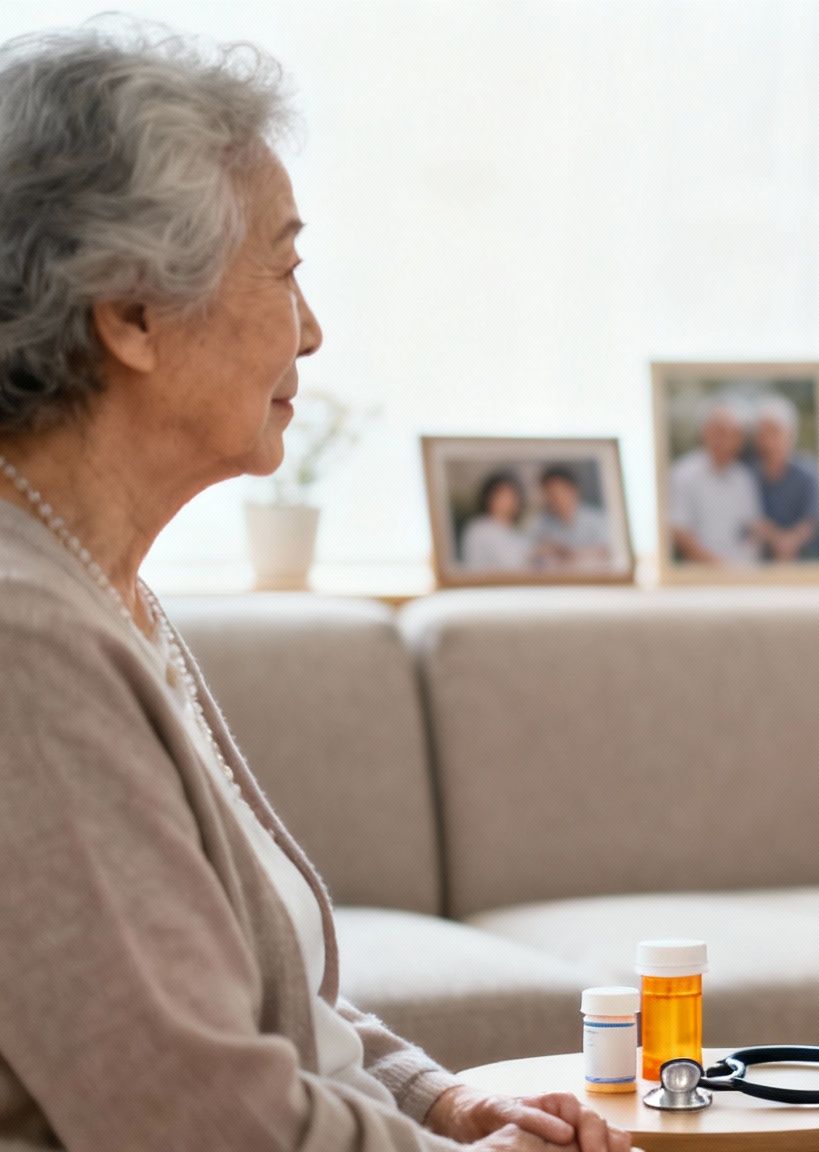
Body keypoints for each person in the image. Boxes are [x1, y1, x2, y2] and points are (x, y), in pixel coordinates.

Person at [0, 27, 635, 1152]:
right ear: (130, 314)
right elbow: (187, 1113)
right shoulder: (25, 643)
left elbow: (252, 991)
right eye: (284, 267)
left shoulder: (104, 592)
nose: (311, 328)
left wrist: (439, 1098)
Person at [666, 395, 761, 566]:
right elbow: (679, 530)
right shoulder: (683, 473)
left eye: (734, 435)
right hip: (699, 576)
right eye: (720, 433)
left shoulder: (743, 477)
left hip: (741, 573)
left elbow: (753, 527)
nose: (727, 442)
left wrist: (745, 561)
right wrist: (717, 565)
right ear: (705, 432)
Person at [747, 394, 819, 563]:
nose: (768, 442)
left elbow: (812, 520)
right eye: (762, 433)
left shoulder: (809, 473)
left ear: (790, 435)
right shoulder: (748, 475)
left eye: (774, 433)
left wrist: (789, 542)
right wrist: (774, 537)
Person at [531, 464, 614, 573]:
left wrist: (568, 554)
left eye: (558, 492)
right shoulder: (543, 524)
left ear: (573, 490)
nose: (555, 498)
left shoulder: (597, 519)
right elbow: (535, 555)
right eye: (549, 493)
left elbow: (608, 551)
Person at [459, 471, 535, 572]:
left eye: (511, 496)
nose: (507, 501)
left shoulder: (518, 533)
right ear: (488, 497)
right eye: (501, 495)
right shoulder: (479, 529)